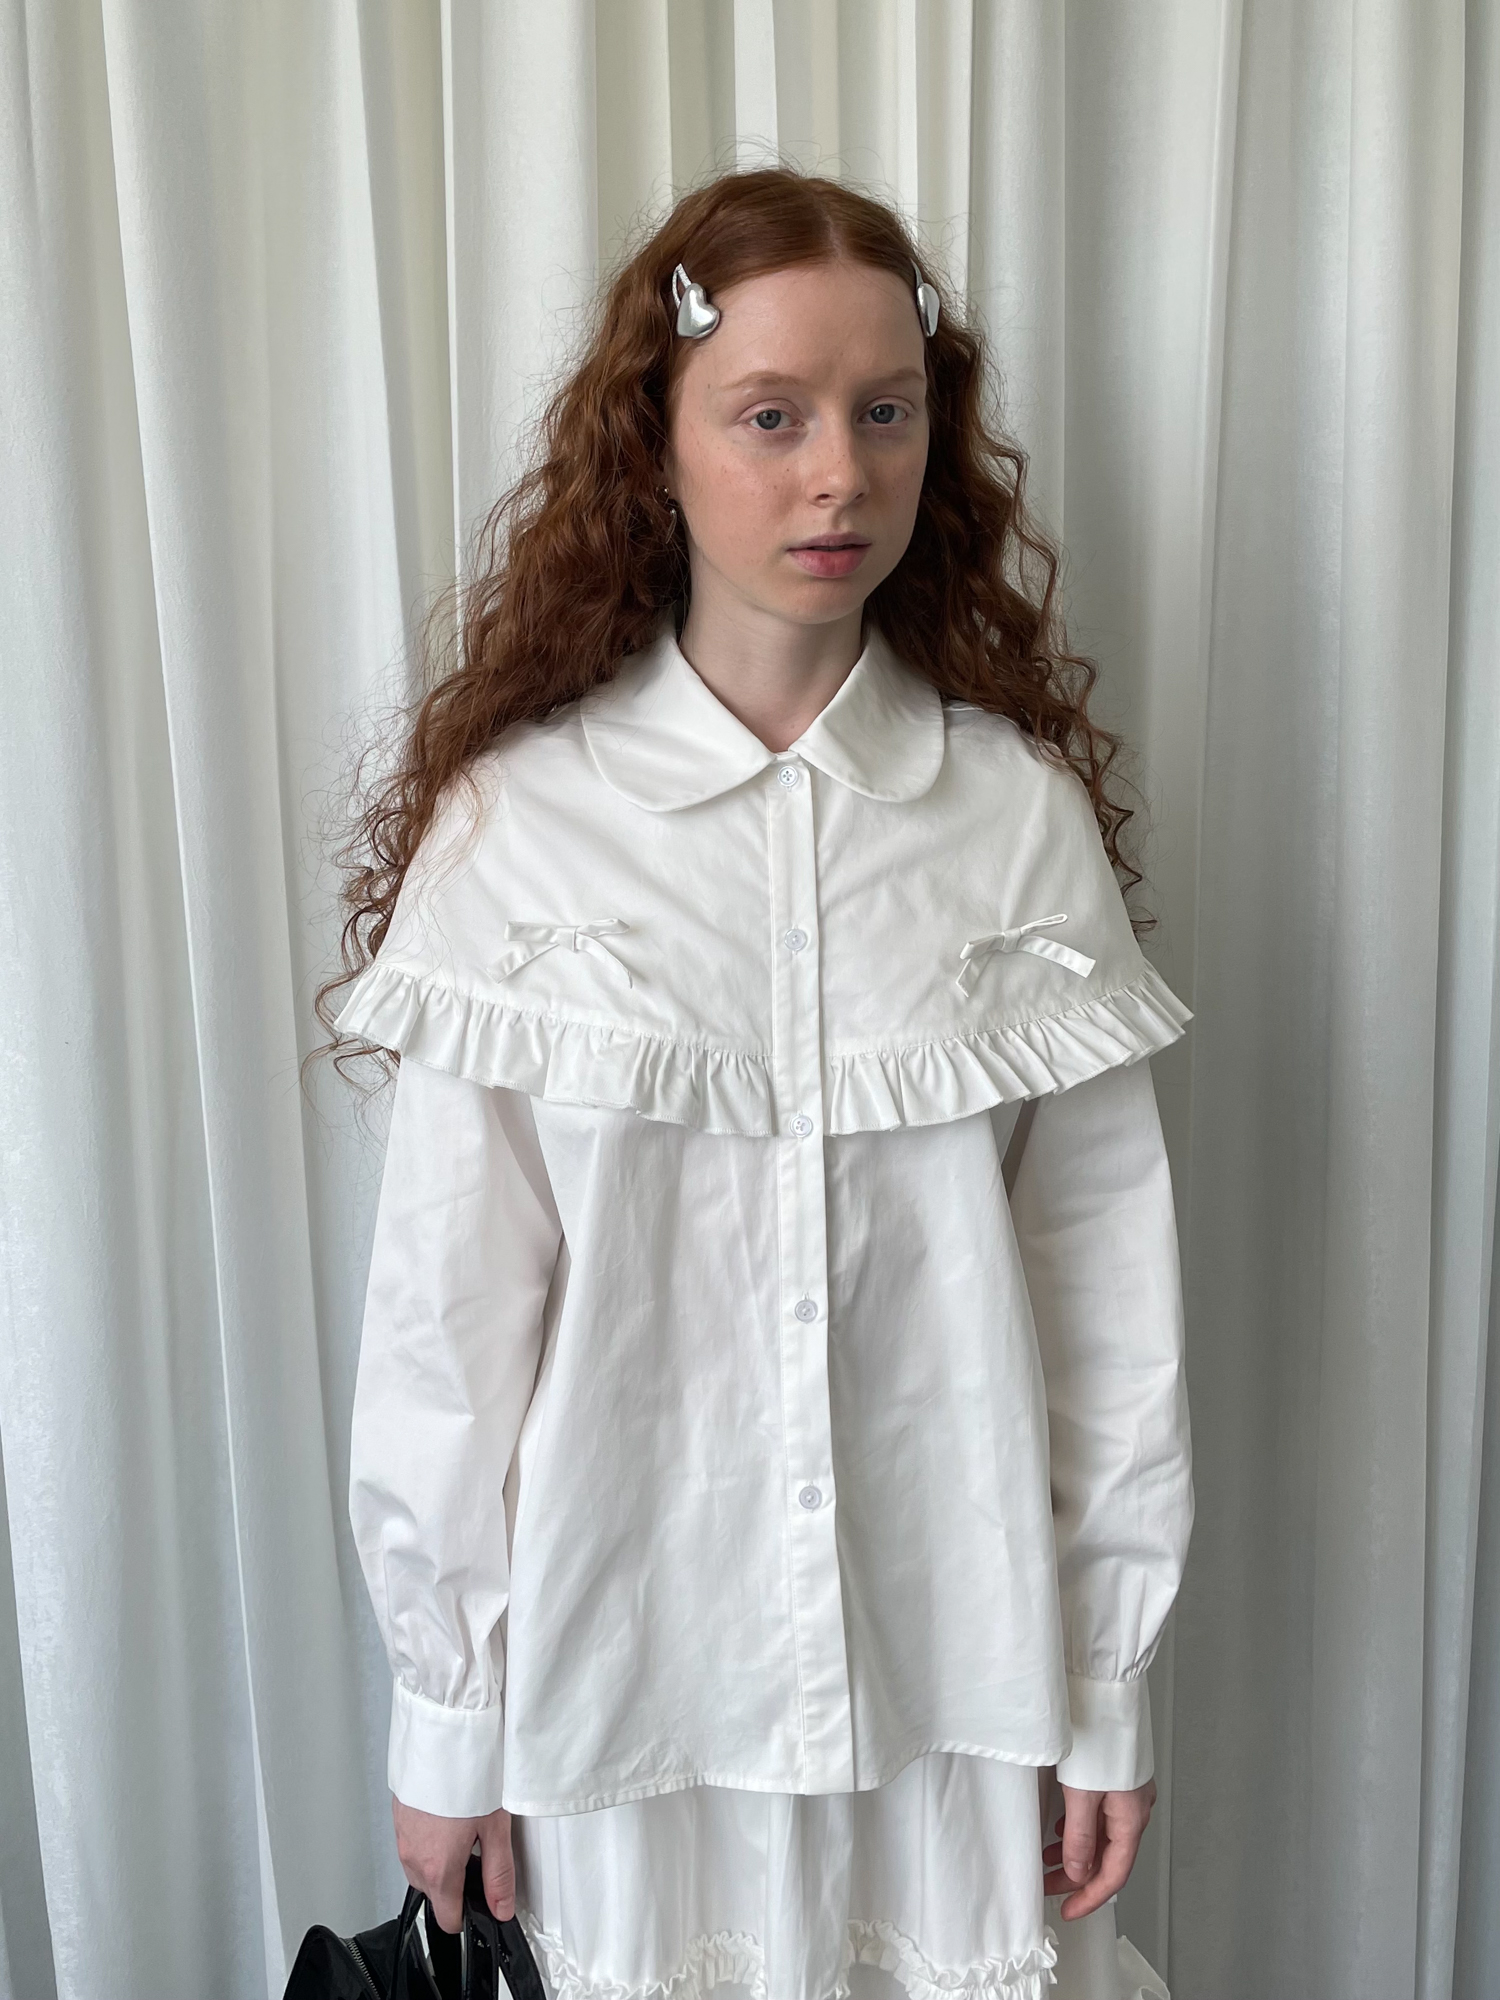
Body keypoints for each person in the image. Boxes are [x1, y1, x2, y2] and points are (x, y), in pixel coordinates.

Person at [320, 166, 1194, 2000]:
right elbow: (448, 1325)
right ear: (657, 441)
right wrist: (446, 1713)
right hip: (628, 1704)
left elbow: (1105, 1305)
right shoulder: (520, 834)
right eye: (771, 415)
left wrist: (1107, 1681)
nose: (838, 476)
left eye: (886, 412)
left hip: (956, 1701)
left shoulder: (1015, 825)